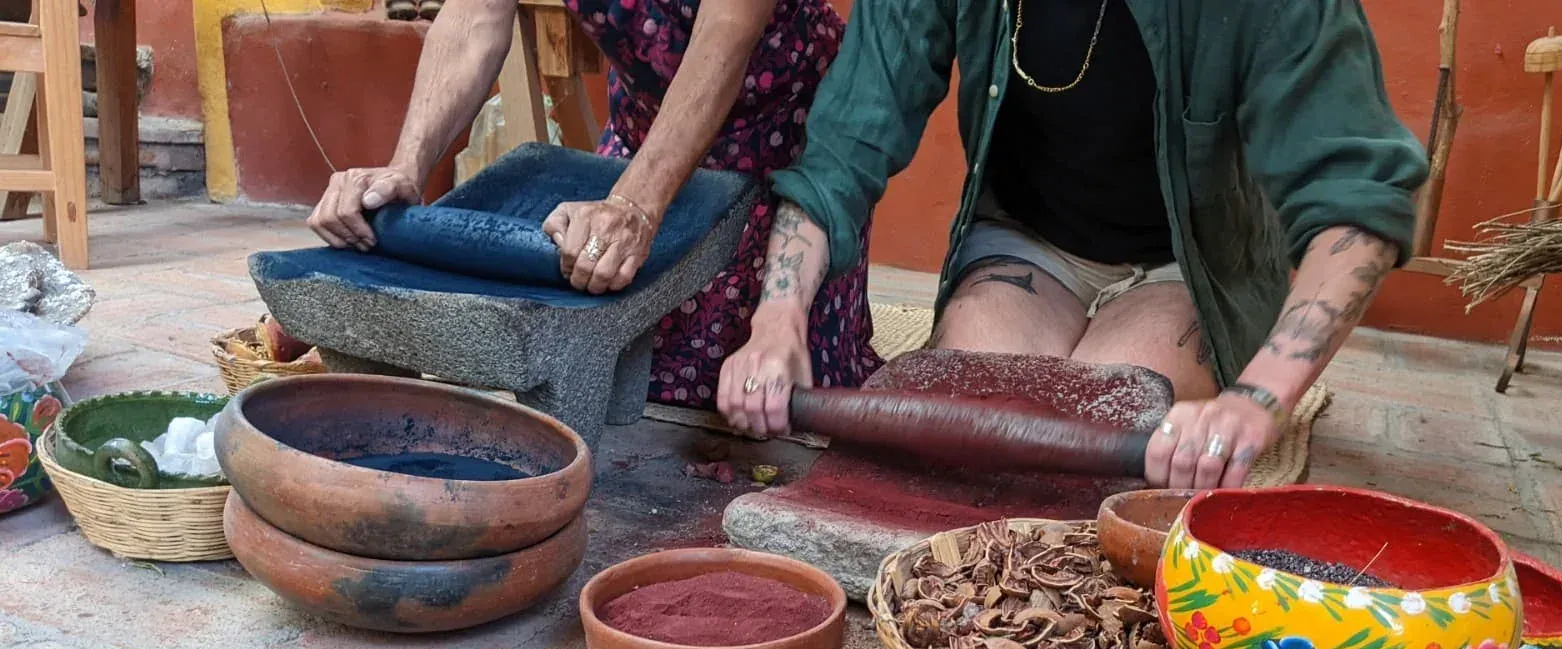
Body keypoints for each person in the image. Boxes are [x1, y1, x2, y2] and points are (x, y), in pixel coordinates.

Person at [717, 0, 1428, 490]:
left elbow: (1358, 198)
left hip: (1185, 263)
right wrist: (776, 320)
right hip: (1028, 244)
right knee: (983, 430)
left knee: (1105, 431)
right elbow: (844, 146)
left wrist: (1257, 401)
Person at [307, 0, 881, 409]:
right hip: (642, 135)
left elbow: (726, 33)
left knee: (767, 391)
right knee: (601, 347)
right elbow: (473, 19)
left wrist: (636, 204)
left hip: (784, 139)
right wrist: (407, 166)